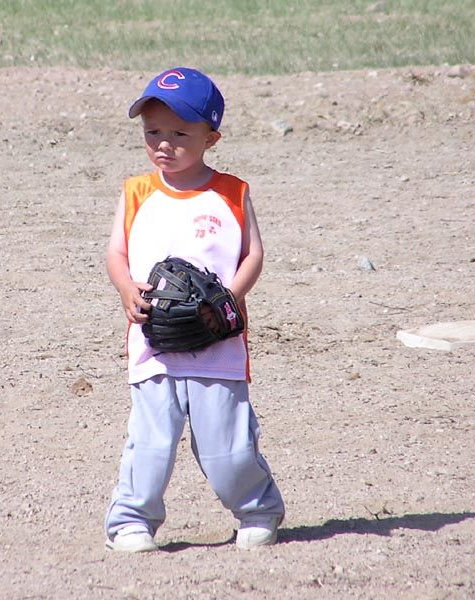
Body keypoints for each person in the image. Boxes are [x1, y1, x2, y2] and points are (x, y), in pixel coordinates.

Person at [104, 67, 284, 553]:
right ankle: (130, 521)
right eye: (153, 131)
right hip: (153, 345)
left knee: (228, 447)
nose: (163, 143)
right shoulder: (136, 192)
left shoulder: (232, 192)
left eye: (180, 132)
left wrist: (230, 298)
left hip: (218, 345)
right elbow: (116, 254)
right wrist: (126, 289)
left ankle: (256, 510)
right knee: (151, 442)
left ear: (211, 136)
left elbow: (254, 253)